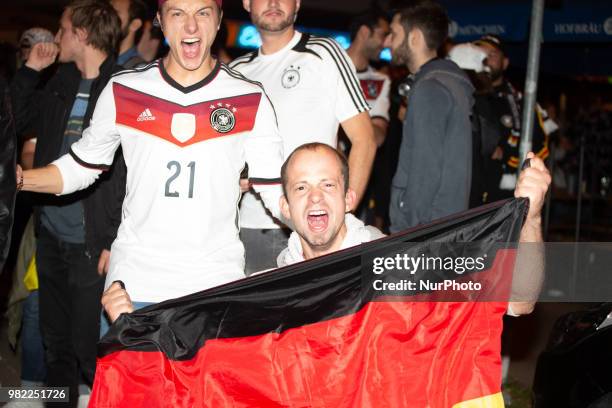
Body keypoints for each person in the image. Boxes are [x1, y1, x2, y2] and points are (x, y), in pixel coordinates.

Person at [18, 0, 284, 325]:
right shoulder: (126, 88)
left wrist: (328, 227)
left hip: (213, 285)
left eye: (202, 13)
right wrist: (17, 180)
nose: (190, 26)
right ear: (159, 20)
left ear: (218, 22)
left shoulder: (250, 97)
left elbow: (275, 193)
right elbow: (80, 167)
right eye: (177, 13)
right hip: (133, 285)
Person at [278, 142, 550, 317]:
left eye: (327, 185)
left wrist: (532, 217)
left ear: (349, 199)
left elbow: (519, 300)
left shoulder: (400, 266)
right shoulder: (271, 290)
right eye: (301, 187)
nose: (315, 197)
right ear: (285, 206)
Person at [10, 1, 122, 404]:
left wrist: (112, 239)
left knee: (86, 347)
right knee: (55, 343)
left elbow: (127, 174)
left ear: (82, 33)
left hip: (91, 244)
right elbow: (20, 122)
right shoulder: (60, 80)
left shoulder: (122, 86)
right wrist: (31, 72)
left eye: (62, 29)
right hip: (52, 235)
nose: (56, 38)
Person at [229, 0, 377, 274]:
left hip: (314, 230)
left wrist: (342, 215)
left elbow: (365, 140)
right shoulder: (235, 72)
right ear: (247, 3)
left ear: (297, 3)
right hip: (246, 227)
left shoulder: (325, 53)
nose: (273, 3)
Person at [385, 1, 475, 233]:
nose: (388, 42)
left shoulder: (430, 88)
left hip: (425, 231)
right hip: (441, 226)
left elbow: (425, 169)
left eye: (393, 34)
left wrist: (407, 229)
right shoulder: (447, 83)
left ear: (414, 37)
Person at [474, 34, 553, 203]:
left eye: (492, 54)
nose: (486, 59)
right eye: (481, 53)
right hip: (468, 194)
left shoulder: (521, 102)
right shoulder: (464, 94)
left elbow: (542, 146)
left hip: (504, 198)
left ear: (505, 63)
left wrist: (506, 156)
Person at [111, 0, 148, 68]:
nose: (105, 18)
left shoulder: (138, 71)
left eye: (114, 13)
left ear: (134, 24)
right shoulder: (98, 59)